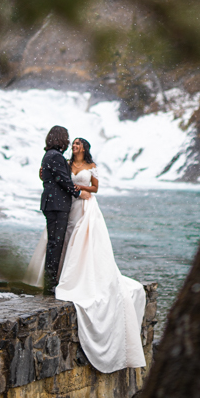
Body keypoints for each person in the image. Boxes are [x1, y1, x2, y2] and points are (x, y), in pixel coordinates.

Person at [24, 135, 146, 374]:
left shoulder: (91, 166)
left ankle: (78, 274)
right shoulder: (66, 163)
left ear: (85, 148)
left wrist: (81, 188)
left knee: (82, 241)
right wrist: (50, 177)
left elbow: (96, 188)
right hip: (70, 204)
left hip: (85, 205)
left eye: (78, 144)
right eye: (74, 143)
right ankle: (56, 274)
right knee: (63, 241)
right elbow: (56, 178)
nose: (75, 146)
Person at [38, 125, 91, 295]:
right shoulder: (56, 157)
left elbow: (51, 177)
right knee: (56, 243)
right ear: (61, 139)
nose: (68, 141)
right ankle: (50, 283)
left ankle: (50, 280)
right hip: (57, 205)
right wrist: (78, 193)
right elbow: (63, 180)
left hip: (52, 203)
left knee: (54, 242)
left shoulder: (48, 155)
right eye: (66, 137)